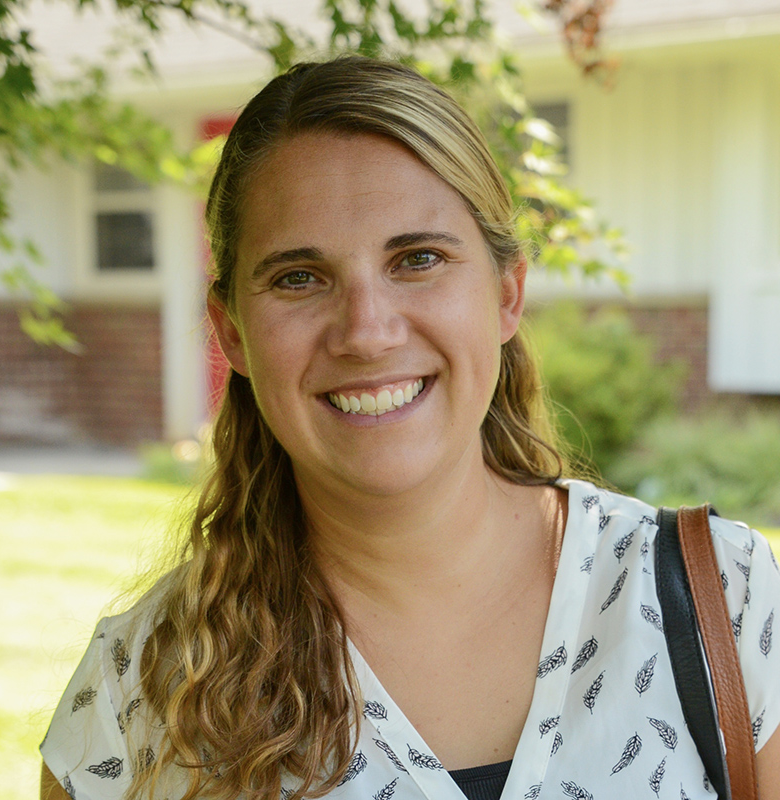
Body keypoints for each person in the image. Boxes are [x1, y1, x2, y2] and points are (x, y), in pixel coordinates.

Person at [40, 56, 780, 800]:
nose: (366, 331)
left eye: (418, 258)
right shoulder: (136, 692)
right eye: (299, 277)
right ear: (230, 331)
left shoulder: (722, 599)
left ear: (507, 294)